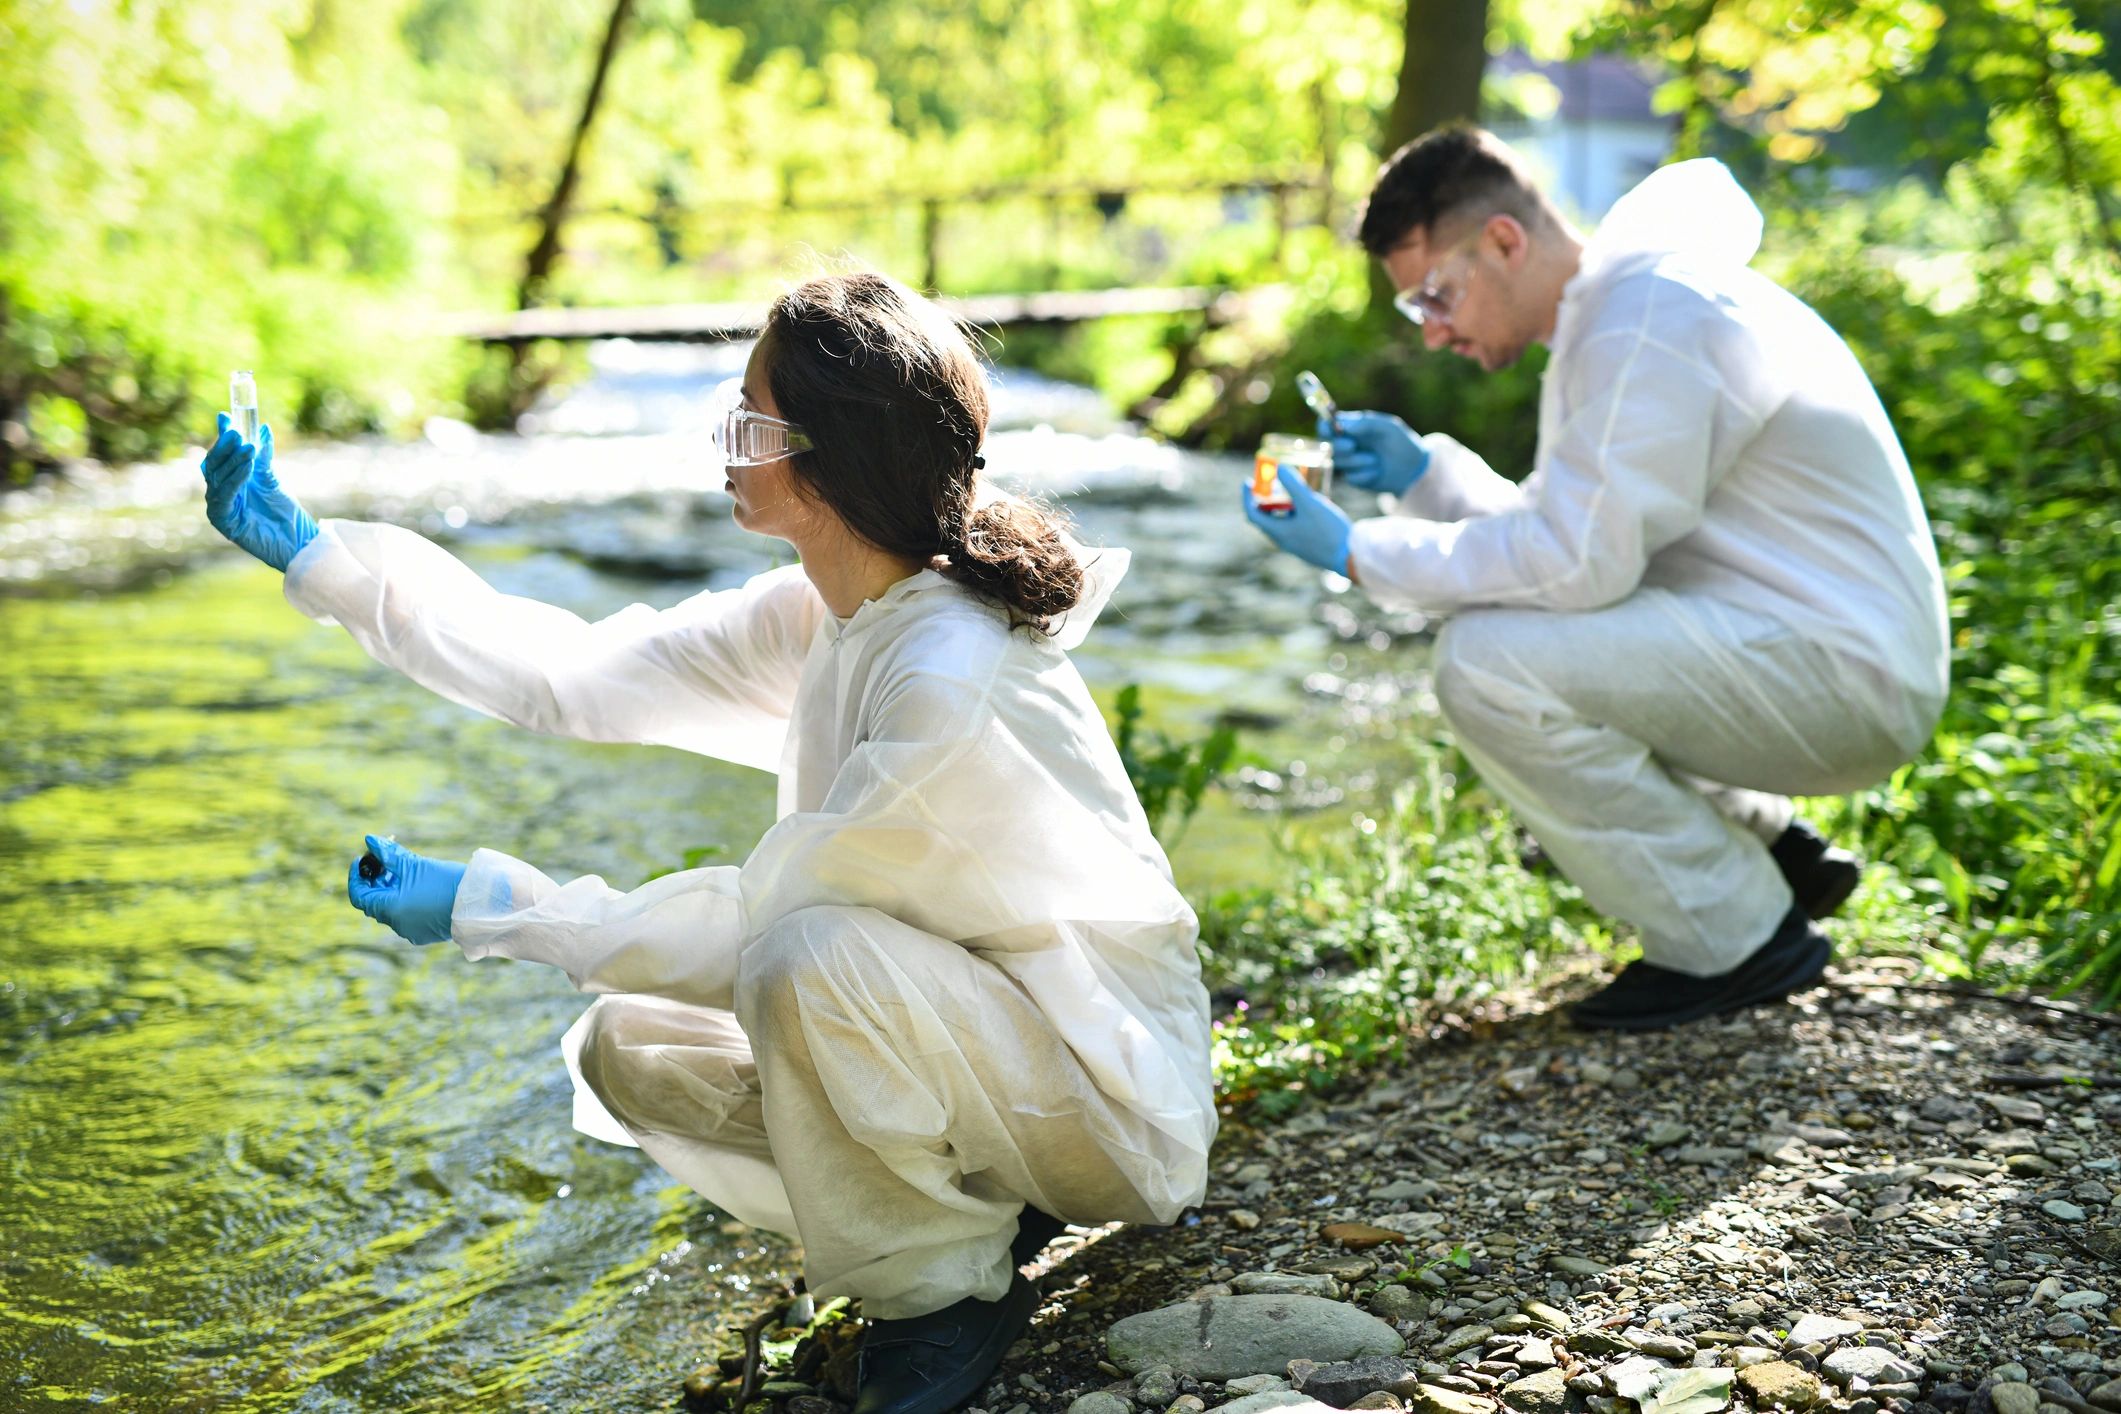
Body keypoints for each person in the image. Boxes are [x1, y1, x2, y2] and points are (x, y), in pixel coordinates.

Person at [197, 272, 1217, 1414]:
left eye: (750, 419)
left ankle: (940, 1294)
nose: (723, 441)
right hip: (978, 1045)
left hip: (1108, 1103)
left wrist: (495, 906)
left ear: (835, 458)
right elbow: (570, 677)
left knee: (802, 960)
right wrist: (315, 557)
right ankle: (969, 1208)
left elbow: (764, 923)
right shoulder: (829, 609)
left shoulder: (948, 678)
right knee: (632, 1045)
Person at [1244, 126, 1949, 1030]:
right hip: (1807, 648)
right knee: (1532, 642)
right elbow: (1580, 537)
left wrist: (1354, 551)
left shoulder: (1649, 314)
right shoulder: (1625, 309)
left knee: (1489, 662)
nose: (1431, 332)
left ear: (1503, 240)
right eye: (1414, 310)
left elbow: (1574, 567)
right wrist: (1424, 476)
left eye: (1435, 295)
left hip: (1844, 676)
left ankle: (1734, 936)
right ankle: (1775, 852)